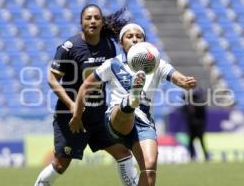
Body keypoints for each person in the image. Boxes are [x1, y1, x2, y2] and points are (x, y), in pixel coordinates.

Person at [70, 23, 197, 186]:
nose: (135, 39)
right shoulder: (112, 64)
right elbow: (85, 86)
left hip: (144, 123)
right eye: (129, 37)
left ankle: (132, 100)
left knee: (149, 168)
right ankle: (130, 101)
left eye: (139, 36)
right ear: (121, 43)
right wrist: (77, 115)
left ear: (145, 41)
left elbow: (177, 78)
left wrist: (185, 82)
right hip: (116, 120)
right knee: (126, 110)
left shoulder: (157, 63)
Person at [34, 4, 139, 186]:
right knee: (60, 165)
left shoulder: (108, 46)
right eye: (88, 18)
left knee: (123, 153)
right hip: (71, 119)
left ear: (102, 21)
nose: (93, 21)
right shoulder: (69, 48)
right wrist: (73, 108)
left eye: (97, 18)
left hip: (99, 116)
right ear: (81, 22)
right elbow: (52, 79)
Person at [181, 86, 209, 161]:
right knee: (191, 142)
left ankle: (205, 156)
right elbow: (183, 100)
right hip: (192, 126)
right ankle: (192, 156)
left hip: (199, 126)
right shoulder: (187, 105)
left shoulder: (200, 103)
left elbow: (201, 108)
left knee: (201, 142)